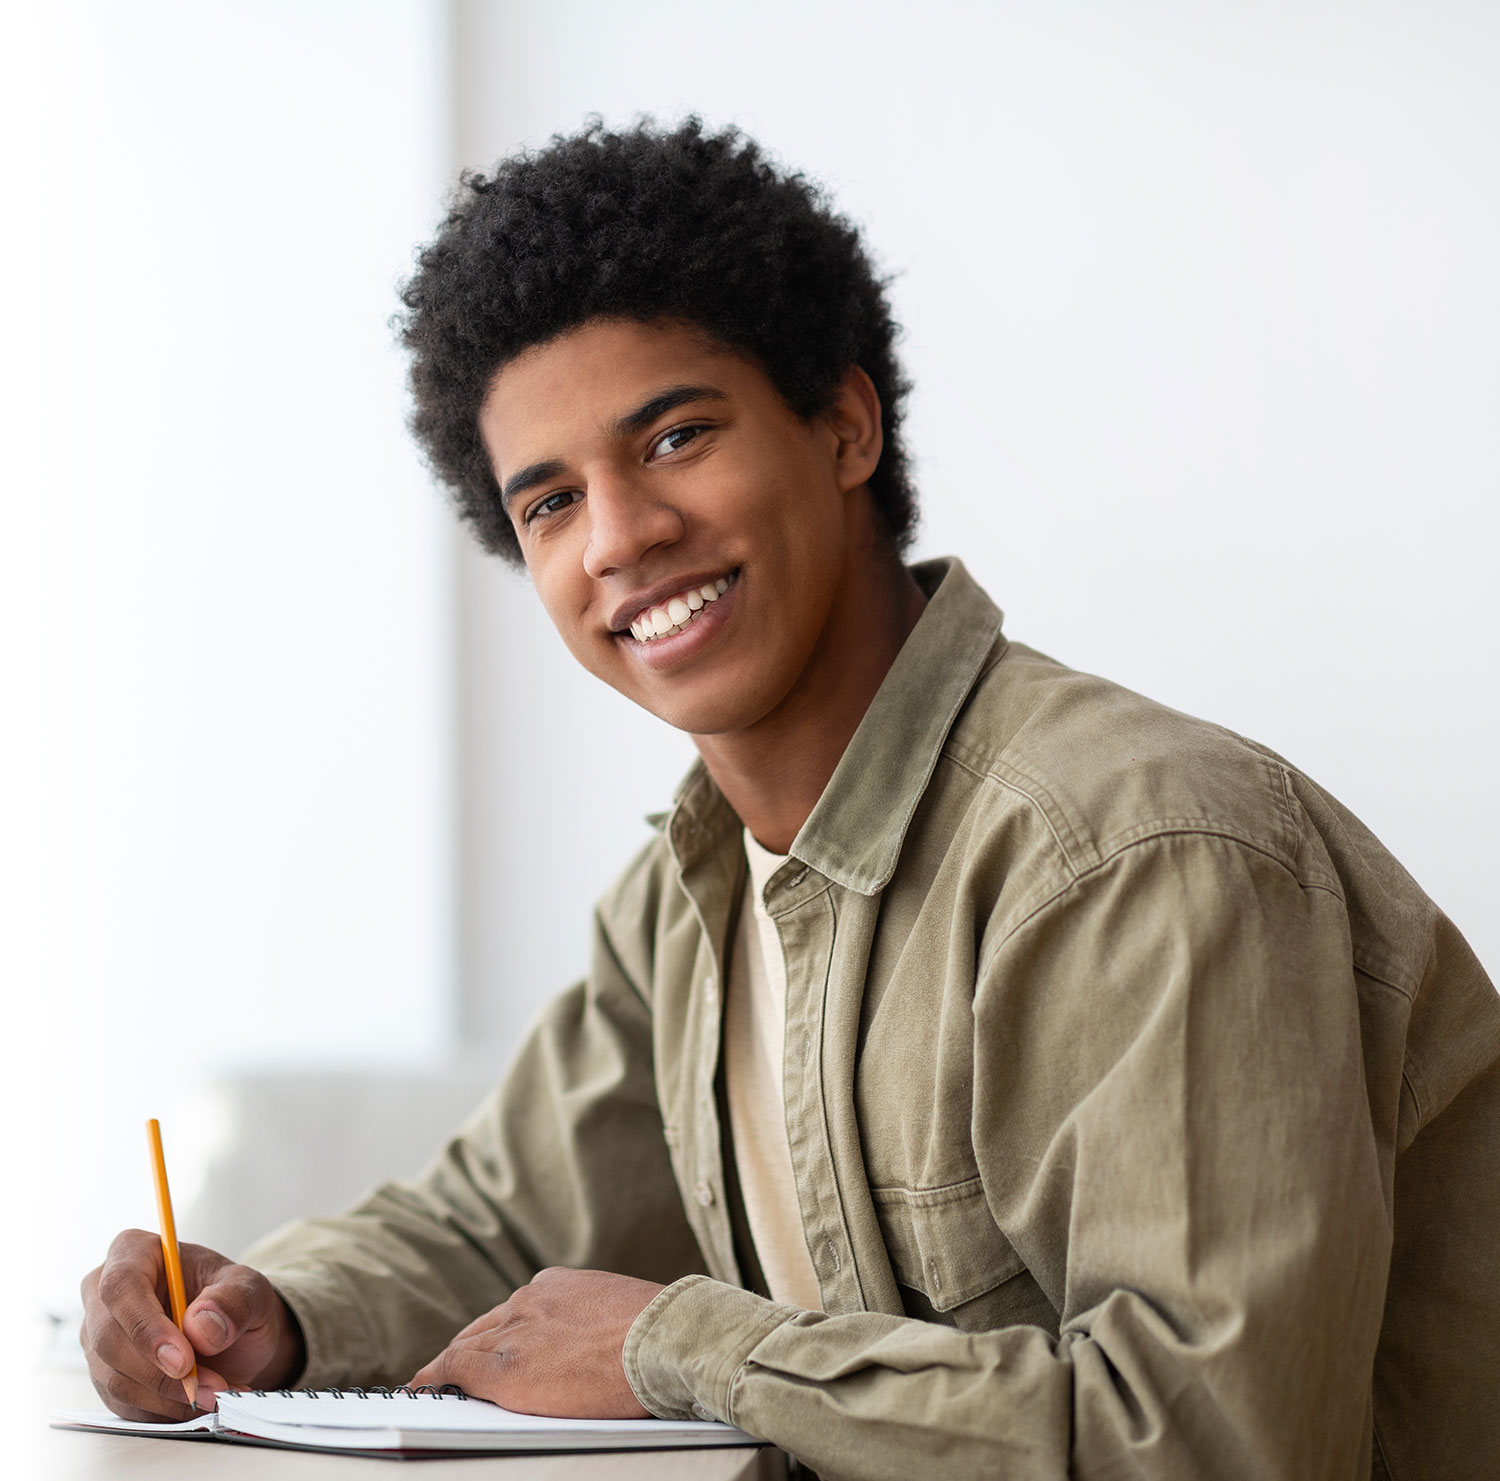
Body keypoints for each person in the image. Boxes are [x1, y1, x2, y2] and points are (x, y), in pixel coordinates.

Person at [80, 119, 1500, 1480]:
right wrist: (275, 1307)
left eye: (676, 437)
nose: (622, 536)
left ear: (843, 428)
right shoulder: (691, 887)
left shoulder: (1133, 856)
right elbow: (497, 1219)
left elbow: (1206, 1445)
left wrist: (679, 1344)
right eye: (551, 503)